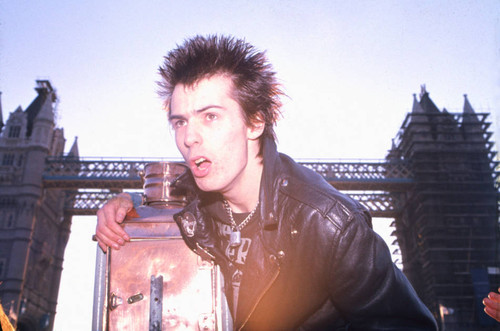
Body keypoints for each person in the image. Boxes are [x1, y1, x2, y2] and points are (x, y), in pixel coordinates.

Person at [96, 34, 438, 330]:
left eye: (210, 116)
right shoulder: (193, 197)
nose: (189, 138)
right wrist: (126, 202)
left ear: (255, 122)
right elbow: (165, 190)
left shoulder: (330, 223)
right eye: (180, 122)